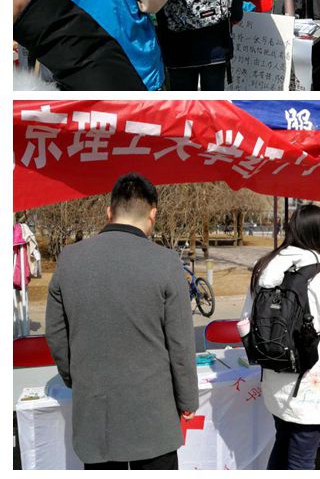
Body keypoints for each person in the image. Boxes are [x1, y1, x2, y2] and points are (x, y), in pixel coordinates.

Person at [45, 173, 198, 468]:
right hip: (153, 414)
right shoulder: (166, 262)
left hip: (95, 411)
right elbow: (181, 343)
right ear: (153, 215)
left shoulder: (70, 259)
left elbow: (56, 333)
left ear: (109, 212)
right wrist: (188, 399)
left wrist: (75, 377)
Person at [243, 204, 320, 469]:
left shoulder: (263, 267)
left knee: (282, 443)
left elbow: (245, 320)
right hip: (311, 386)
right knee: (301, 460)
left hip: (274, 377)